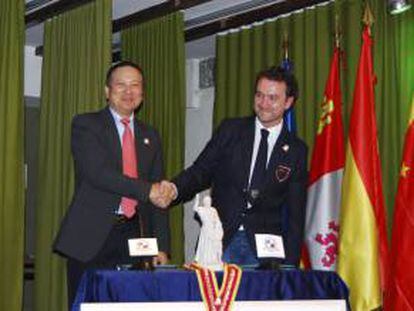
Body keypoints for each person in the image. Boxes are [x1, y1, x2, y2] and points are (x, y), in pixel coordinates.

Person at [53, 61, 174, 307]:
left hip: (136, 236)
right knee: (88, 305)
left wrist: (162, 246)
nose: (128, 91)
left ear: (142, 94)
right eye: (121, 85)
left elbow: (157, 197)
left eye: (135, 86)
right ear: (107, 91)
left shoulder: (150, 135)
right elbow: (99, 173)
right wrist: (148, 190)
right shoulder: (86, 125)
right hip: (92, 236)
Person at [166, 66, 308, 267]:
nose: (263, 103)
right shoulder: (230, 130)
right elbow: (201, 171)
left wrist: (290, 266)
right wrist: (173, 188)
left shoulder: (296, 150)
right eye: (259, 95)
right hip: (220, 241)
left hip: (266, 253)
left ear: (288, 102)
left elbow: (296, 215)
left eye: (272, 98)